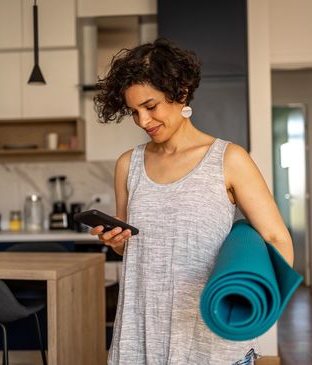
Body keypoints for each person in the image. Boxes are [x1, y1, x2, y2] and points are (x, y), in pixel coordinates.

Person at [91, 38, 294, 365]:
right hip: (142, 336)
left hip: (211, 337)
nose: (143, 121)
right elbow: (130, 247)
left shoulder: (228, 159)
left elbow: (275, 237)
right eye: (134, 112)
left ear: (181, 93)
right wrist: (115, 242)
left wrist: (261, 305)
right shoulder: (128, 165)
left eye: (150, 106)